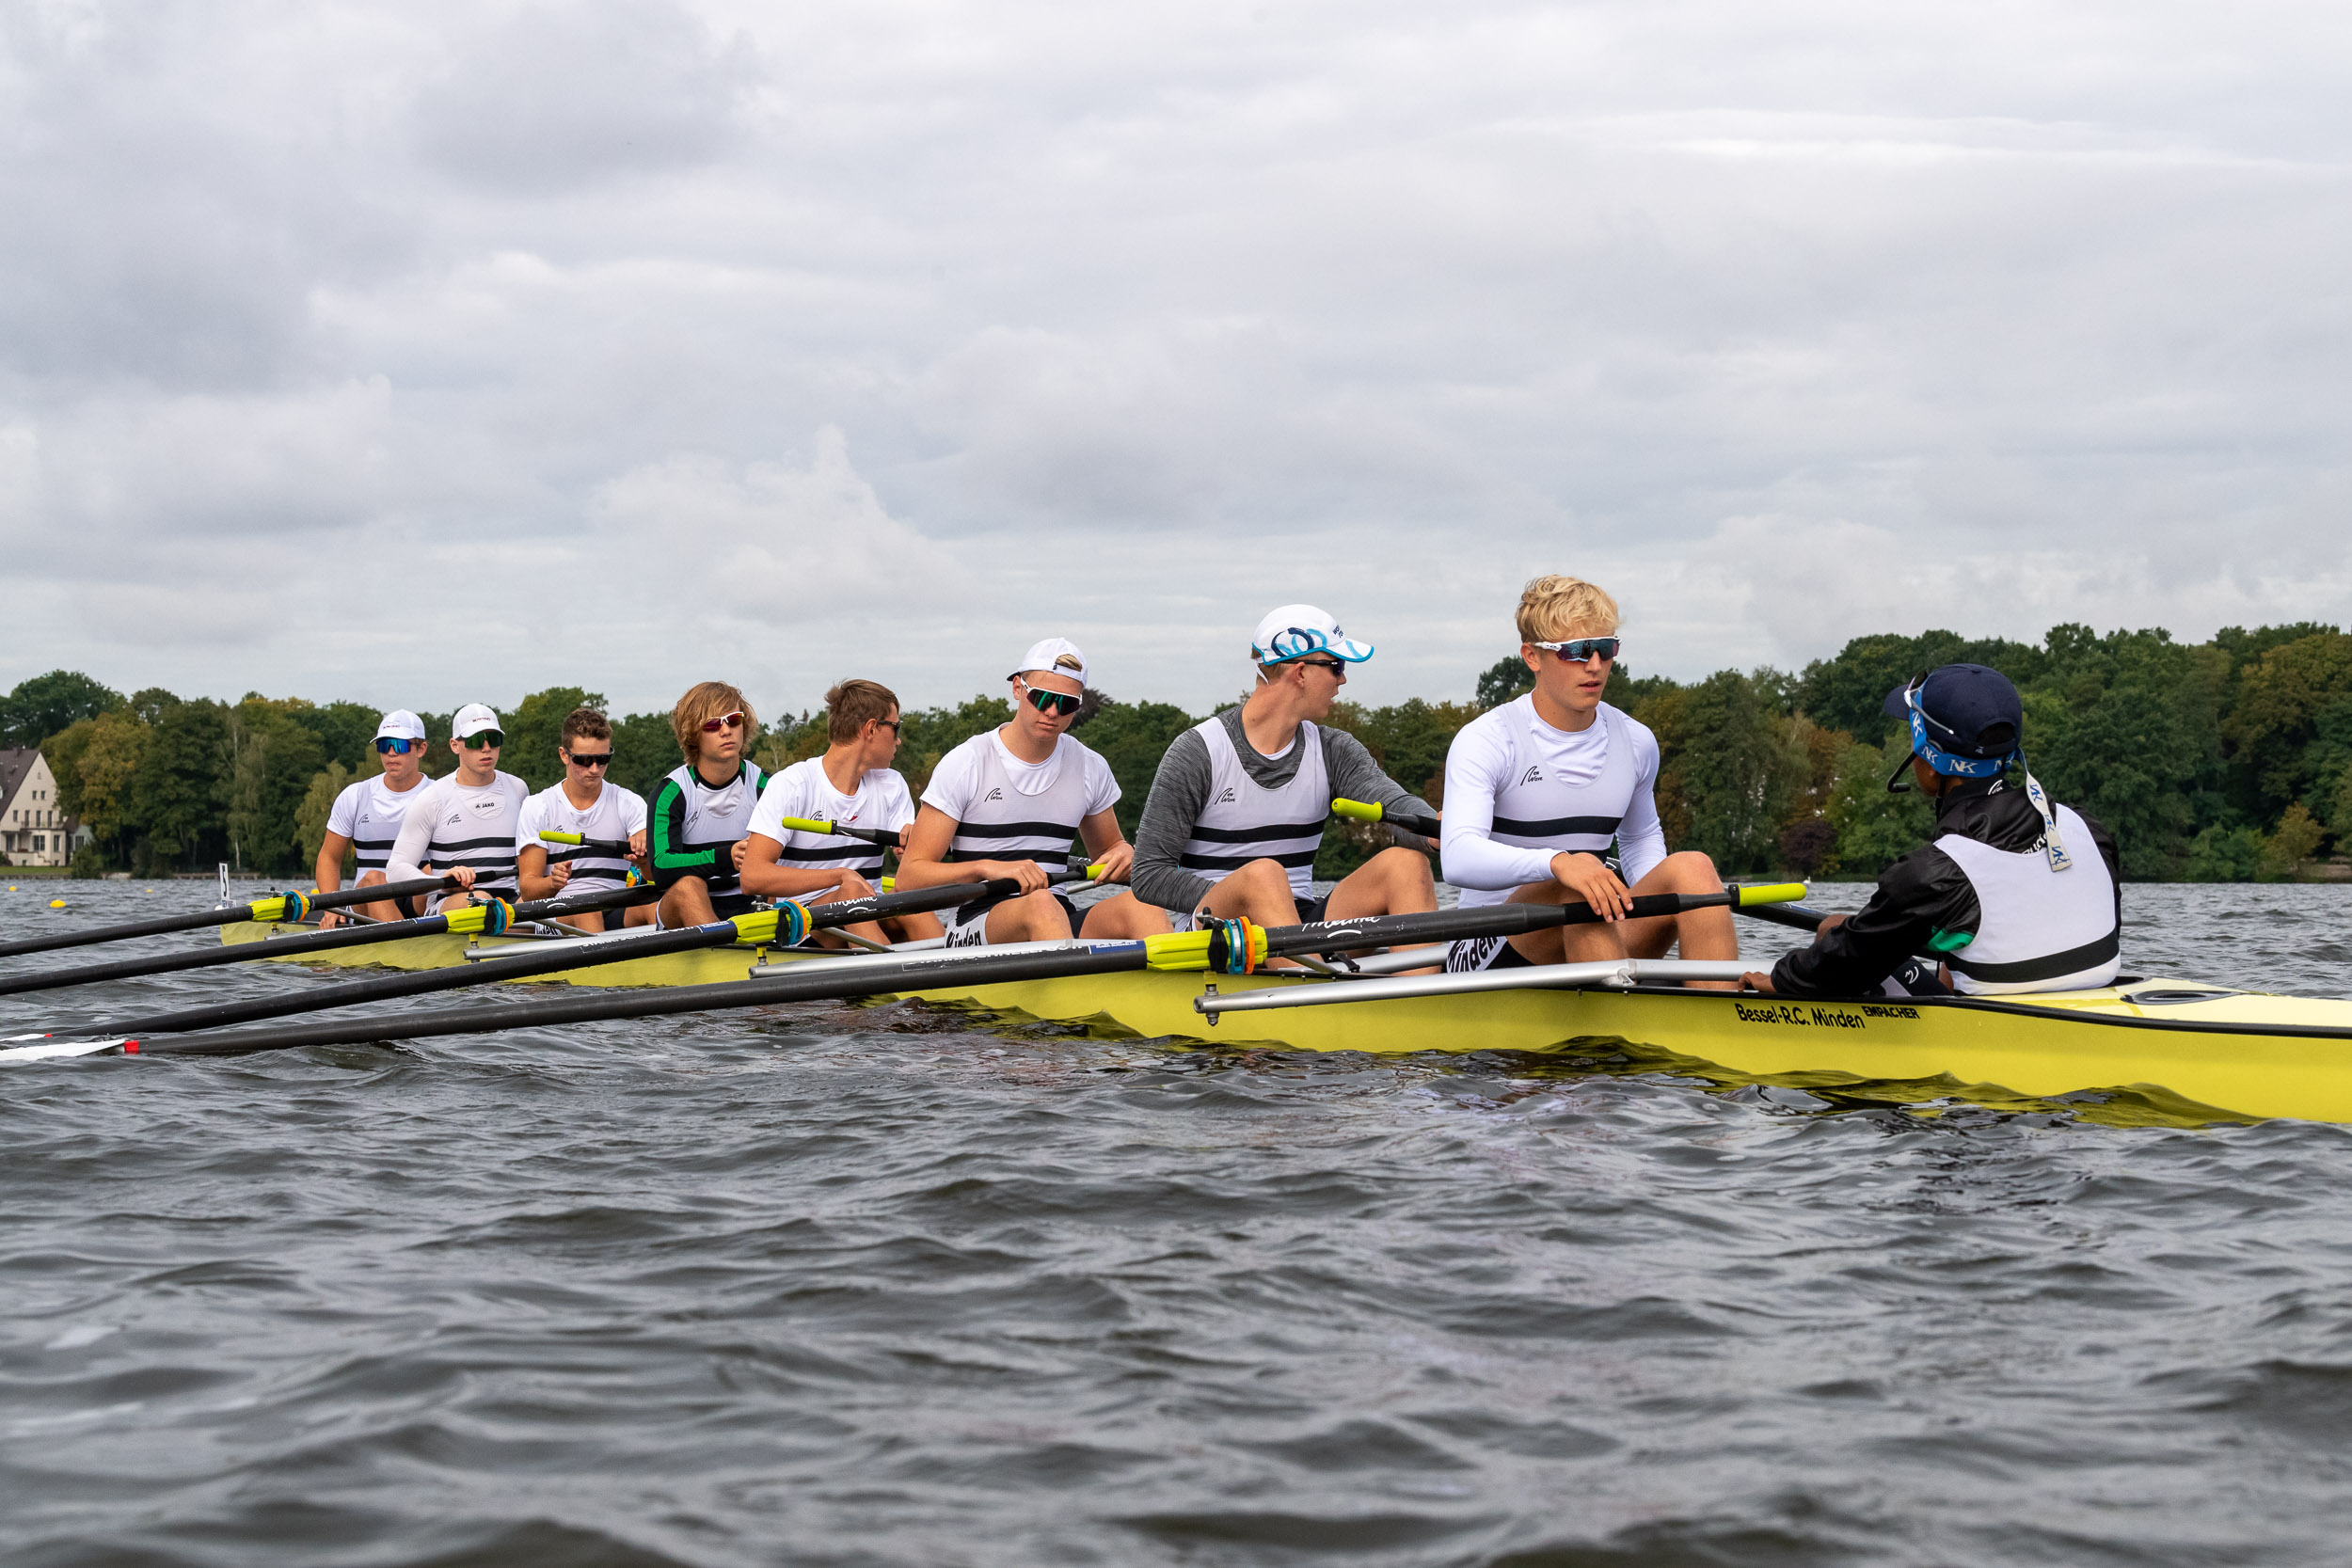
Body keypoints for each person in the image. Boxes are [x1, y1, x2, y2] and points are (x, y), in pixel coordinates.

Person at [1742, 663, 2122, 998]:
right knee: (1950, 943)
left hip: (1995, 1031)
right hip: (2092, 999)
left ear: (1930, 761)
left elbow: (1848, 960)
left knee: (1833, 932)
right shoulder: (2086, 826)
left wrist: (1783, 980)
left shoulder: (1932, 875)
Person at [1439, 575, 1739, 987]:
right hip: (1489, 943)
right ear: (1532, 656)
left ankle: (1718, 1021)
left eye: (1605, 649)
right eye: (1576, 652)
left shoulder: (1635, 740)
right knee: (1575, 886)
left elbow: (1639, 838)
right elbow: (1457, 858)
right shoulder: (1487, 739)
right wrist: (1558, 863)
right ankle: (1618, 1034)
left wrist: (1655, 902)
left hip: (1593, 924)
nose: (1595, 666)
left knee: (1694, 869)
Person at [1130, 604, 1440, 955]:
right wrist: (1247, 895)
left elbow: (1393, 804)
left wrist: (1436, 830)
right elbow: (1148, 874)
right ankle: (1308, 986)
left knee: (1406, 864)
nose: (1342, 679)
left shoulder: (1333, 749)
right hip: (1217, 929)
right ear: (1301, 672)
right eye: (1336, 666)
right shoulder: (1199, 751)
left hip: (1299, 920)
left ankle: (1419, 997)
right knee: (1263, 876)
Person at [896, 640, 1166, 946]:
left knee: (1143, 907)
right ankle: (1070, 985)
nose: (1052, 712)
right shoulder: (966, 762)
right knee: (1041, 903)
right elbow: (909, 879)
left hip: (1056, 916)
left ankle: (1182, 992)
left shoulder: (1090, 766)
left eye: (1066, 704)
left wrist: (1124, 853)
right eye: (1042, 698)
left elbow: (1109, 852)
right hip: (976, 921)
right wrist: (986, 868)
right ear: (1017, 688)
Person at [742, 679, 940, 950]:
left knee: (908, 895)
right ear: (871, 729)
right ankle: (897, 979)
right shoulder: (792, 785)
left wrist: (912, 845)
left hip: (867, 914)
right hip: (806, 928)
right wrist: (839, 876)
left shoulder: (891, 784)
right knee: (851, 891)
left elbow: (910, 857)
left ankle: (962, 975)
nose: (899, 739)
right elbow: (752, 876)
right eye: (895, 728)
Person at [514, 706, 651, 933]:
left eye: (603, 759)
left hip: (617, 905)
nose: (595, 769)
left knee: (659, 906)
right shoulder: (538, 806)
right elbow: (528, 889)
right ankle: (603, 967)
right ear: (563, 755)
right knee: (586, 909)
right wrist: (552, 882)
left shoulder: (629, 802)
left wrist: (645, 860)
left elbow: (654, 876)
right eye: (584, 760)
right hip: (559, 911)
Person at [385, 704, 532, 912]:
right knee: (480, 900)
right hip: (451, 901)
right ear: (455, 745)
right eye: (475, 741)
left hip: (509, 901)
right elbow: (395, 870)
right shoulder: (431, 798)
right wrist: (441, 882)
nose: (486, 748)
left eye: (494, 739)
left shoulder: (517, 789)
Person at [648, 681, 768, 927]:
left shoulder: (764, 784)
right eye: (713, 724)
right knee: (689, 887)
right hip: (687, 907)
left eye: (734, 720)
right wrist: (726, 857)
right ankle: (729, 955)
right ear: (692, 734)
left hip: (750, 901)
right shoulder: (672, 791)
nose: (726, 731)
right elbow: (661, 866)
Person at [316, 710, 435, 928]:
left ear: (421, 749)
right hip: (366, 900)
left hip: (419, 897)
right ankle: (407, 945)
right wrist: (331, 907)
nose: (391, 753)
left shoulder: (439, 795)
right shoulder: (355, 795)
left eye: (399, 745)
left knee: (430, 871)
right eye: (384, 746)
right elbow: (329, 857)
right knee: (374, 879)